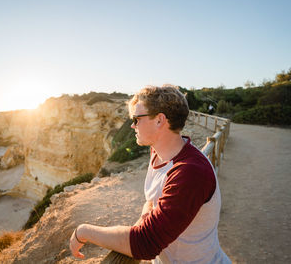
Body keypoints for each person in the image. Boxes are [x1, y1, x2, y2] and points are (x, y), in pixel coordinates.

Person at [69, 85, 231, 263]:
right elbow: (152, 200)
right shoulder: (158, 153)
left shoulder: (190, 172)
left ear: (159, 120)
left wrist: (83, 232)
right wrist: (148, 212)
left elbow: (145, 244)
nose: (132, 125)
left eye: (137, 119)